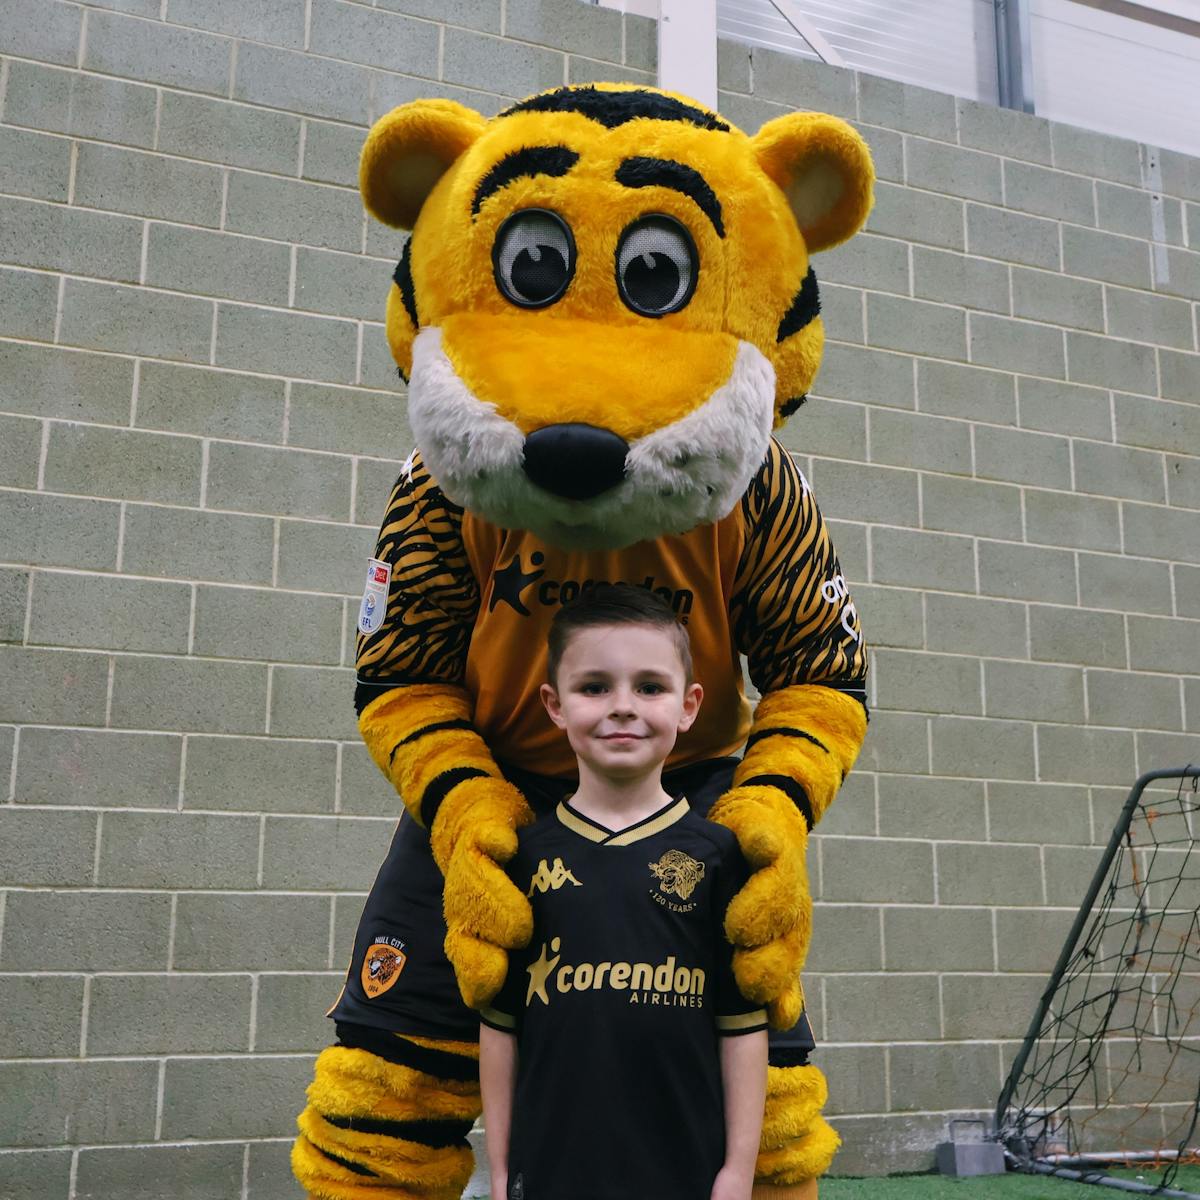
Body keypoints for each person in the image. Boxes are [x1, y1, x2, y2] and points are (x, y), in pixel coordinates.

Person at [479, 584, 769, 1200]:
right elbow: (499, 1028)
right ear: (554, 705)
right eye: (594, 687)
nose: (622, 707)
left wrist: (737, 1172)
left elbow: (742, 1027)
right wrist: (501, 1171)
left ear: (689, 705)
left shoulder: (719, 856)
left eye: (649, 686)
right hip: (553, 1170)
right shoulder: (523, 856)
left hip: (685, 1170)